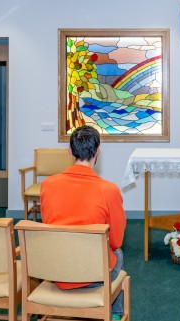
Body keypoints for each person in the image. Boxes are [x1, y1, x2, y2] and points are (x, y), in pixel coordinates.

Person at [40, 125, 127, 320]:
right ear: (98, 151)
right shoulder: (109, 190)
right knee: (118, 253)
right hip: (93, 275)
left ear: (70, 151)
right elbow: (116, 241)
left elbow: (49, 227)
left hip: (55, 270)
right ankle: (113, 314)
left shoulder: (47, 185)